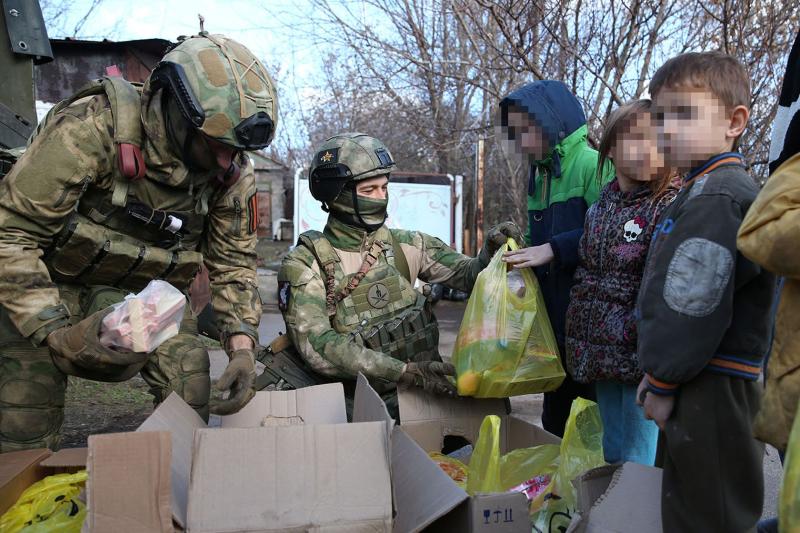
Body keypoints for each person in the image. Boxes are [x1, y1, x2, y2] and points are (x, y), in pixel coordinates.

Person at [0, 33, 278, 452]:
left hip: (147, 297)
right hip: (50, 283)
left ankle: (170, 494)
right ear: (176, 110)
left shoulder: (233, 172)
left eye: (234, 149)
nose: (227, 161)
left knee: (190, 378)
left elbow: (234, 264)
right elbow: (12, 232)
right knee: (23, 412)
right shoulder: (90, 128)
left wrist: (241, 347)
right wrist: (50, 330)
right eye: (216, 145)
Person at [272, 133, 522, 419]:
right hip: (359, 416)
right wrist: (401, 372)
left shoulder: (407, 245)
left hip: (424, 406)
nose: (381, 197)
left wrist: (490, 253)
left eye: (384, 187)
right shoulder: (305, 263)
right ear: (336, 194)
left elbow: (468, 276)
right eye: (369, 190)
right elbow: (317, 345)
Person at [635, 51, 776, 532]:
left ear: (735, 122)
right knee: (694, 506)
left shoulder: (718, 195)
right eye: (659, 117)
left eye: (684, 114)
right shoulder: (705, 188)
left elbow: (692, 304)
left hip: (713, 385)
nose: (666, 130)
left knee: (709, 515)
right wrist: (662, 373)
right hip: (702, 377)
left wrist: (663, 379)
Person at [497, 80, 613, 437]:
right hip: (554, 327)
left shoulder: (594, 165)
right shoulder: (540, 178)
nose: (521, 141)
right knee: (555, 421)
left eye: (527, 131)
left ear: (554, 124)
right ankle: (559, 490)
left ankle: (595, 490)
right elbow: (536, 242)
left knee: (590, 422)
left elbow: (612, 233)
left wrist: (555, 249)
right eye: (515, 134)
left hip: (590, 324)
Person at [565, 99, 677, 465]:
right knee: (611, 449)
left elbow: (663, 288)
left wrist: (655, 357)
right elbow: (589, 274)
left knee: (637, 458)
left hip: (637, 356)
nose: (649, 151)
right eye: (637, 139)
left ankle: (634, 518)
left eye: (658, 142)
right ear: (610, 148)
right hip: (599, 351)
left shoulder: (666, 205)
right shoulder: (601, 207)